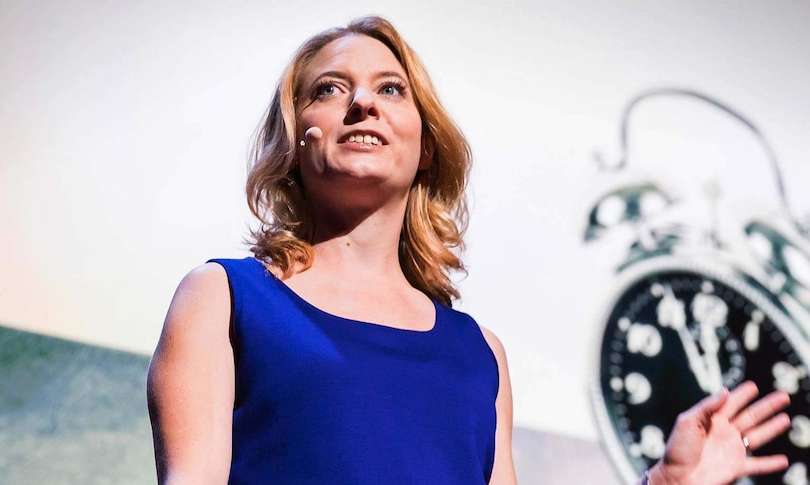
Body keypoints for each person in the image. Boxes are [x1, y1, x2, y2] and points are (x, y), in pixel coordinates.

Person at [146, 16, 792, 485]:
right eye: (329, 88)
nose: (363, 101)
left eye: (390, 89)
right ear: (294, 143)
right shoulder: (226, 298)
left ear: (425, 146)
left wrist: (666, 484)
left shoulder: (478, 353)